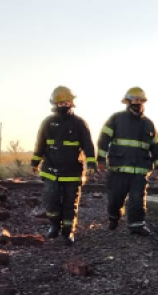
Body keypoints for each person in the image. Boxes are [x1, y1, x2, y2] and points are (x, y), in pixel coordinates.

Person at [31, 86, 96, 245]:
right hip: (51, 170)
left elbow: (88, 145)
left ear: (72, 102)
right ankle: (54, 225)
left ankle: (68, 232)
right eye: (60, 102)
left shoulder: (80, 123)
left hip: (72, 171)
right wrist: (35, 162)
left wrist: (91, 164)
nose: (64, 104)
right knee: (51, 199)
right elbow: (40, 144)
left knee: (69, 202)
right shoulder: (48, 122)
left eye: (67, 101)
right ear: (55, 103)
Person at [97, 87, 158, 236]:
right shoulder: (116, 119)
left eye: (141, 100)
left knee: (137, 200)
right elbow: (103, 140)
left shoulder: (148, 124)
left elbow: (156, 147)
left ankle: (136, 226)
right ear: (128, 101)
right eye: (135, 99)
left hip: (139, 171)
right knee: (115, 200)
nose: (138, 103)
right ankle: (114, 218)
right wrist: (100, 159)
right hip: (118, 170)